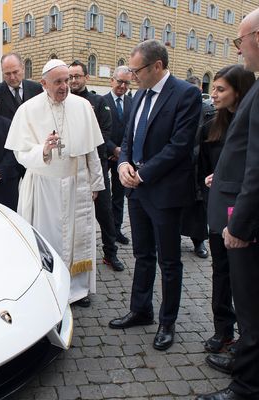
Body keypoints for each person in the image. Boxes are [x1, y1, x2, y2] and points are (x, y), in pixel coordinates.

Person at [108, 40, 201, 351]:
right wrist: (122, 164)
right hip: (136, 191)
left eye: (137, 71)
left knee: (169, 261)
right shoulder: (139, 95)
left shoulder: (185, 94)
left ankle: (167, 321)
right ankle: (141, 309)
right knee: (142, 254)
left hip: (164, 192)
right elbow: (127, 137)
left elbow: (180, 145)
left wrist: (143, 172)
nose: (132, 76)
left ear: (157, 66)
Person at [5, 59, 105, 306]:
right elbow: (20, 153)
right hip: (44, 186)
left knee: (76, 237)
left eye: (67, 80)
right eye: (58, 81)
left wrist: (95, 183)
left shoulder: (82, 106)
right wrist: (44, 150)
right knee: (49, 238)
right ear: (43, 83)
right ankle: (50, 287)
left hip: (76, 184)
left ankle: (78, 289)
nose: (64, 86)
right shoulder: (28, 110)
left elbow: (91, 150)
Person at [200, 9, 259, 399]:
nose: (238, 49)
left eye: (239, 40)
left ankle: (247, 386)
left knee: (251, 311)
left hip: (247, 223)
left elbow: (256, 166)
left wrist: (239, 226)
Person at [199, 65, 255, 360]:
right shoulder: (212, 124)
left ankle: (245, 347)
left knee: (242, 280)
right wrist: (213, 177)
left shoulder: (249, 123)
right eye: (214, 88)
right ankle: (223, 330)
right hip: (219, 210)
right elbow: (210, 164)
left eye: (221, 89)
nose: (214, 94)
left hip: (242, 214)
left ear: (239, 91)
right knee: (221, 274)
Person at [69, 60, 125, 278]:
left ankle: (110, 253)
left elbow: (104, 133)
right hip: (71, 169)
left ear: (86, 77)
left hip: (95, 165)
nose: (73, 81)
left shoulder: (98, 102)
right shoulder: (63, 101)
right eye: (70, 77)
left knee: (105, 212)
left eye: (77, 76)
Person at [180, 75, 214, 258]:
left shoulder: (209, 110)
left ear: (200, 90)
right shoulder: (180, 108)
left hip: (200, 165)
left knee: (198, 208)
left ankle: (198, 241)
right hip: (181, 165)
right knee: (178, 205)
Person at [103, 66, 133, 245]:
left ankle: (117, 229)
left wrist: (123, 152)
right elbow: (99, 131)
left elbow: (132, 130)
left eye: (126, 82)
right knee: (105, 197)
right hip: (106, 156)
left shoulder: (131, 102)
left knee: (119, 197)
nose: (122, 85)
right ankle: (108, 232)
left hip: (123, 158)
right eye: (120, 81)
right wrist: (113, 149)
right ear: (112, 80)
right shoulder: (101, 101)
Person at [0, 52, 43, 121]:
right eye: (7, 74)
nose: (12, 77)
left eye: (15, 72)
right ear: (2, 72)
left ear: (23, 68)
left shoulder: (36, 89)